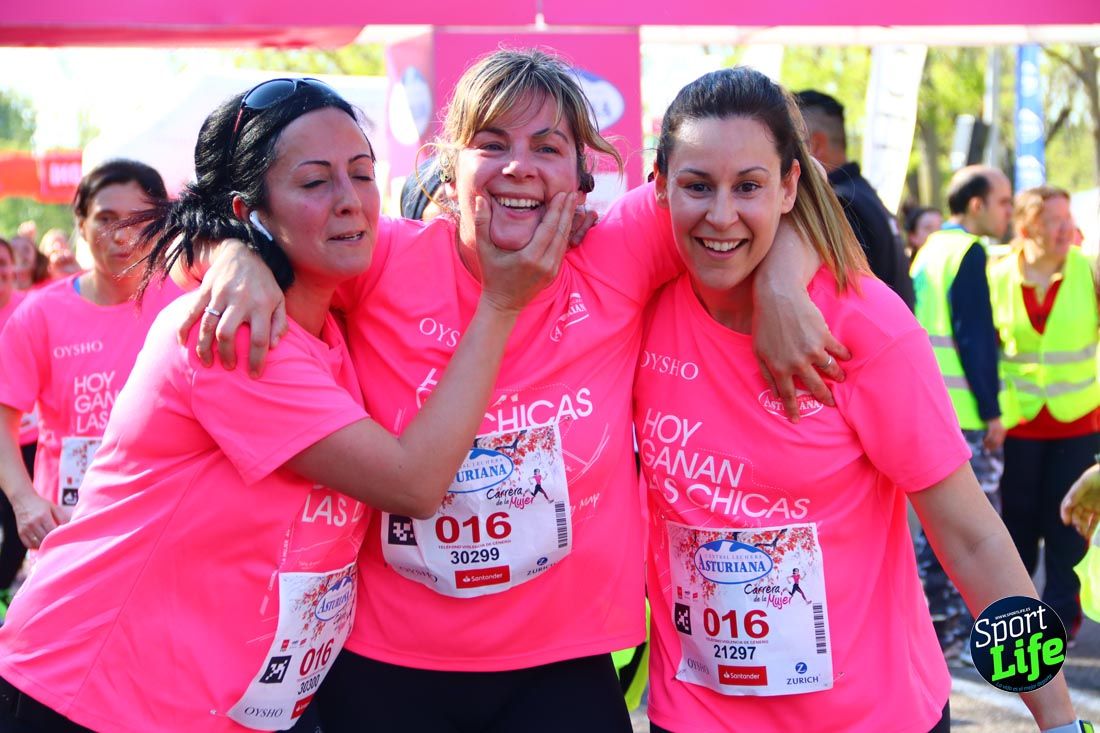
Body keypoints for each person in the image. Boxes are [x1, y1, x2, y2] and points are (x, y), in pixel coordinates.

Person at [184, 49, 846, 732]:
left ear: (584, 176)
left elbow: (779, 181)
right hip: (387, 664)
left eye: (547, 147)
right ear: (451, 165)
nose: (518, 166)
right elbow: (255, 224)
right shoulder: (383, 259)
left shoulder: (617, 253)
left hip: (560, 667)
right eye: (491, 143)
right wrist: (238, 257)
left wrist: (780, 282)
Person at [0, 77, 562, 732]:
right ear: (250, 210)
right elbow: (412, 484)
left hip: (210, 705)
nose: (351, 202)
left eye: (361, 173)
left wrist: (236, 251)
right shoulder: (234, 337)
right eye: (315, 182)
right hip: (90, 695)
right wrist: (501, 304)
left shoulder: (327, 324)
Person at [638, 65, 1080, 733]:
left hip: (871, 716)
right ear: (660, 187)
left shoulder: (862, 324)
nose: (720, 214)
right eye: (697, 186)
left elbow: (972, 539)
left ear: (789, 185)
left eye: (749, 186)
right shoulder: (637, 305)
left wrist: (1060, 720)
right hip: (699, 715)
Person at [0, 160, 179, 552]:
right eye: (105, 218)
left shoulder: (186, 308)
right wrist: (24, 500)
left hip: (161, 529)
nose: (120, 235)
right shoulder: (40, 314)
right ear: (81, 225)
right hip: (68, 532)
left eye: (137, 219)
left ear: (161, 224)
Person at [908, 163, 1018, 658]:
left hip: (926, 405)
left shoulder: (929, 250)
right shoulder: (969, 252)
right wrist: (993, 411)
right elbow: (974, 338)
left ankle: (940, 630)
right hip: (966, 414)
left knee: (935, 528)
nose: (1008, 212)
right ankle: (965, 634)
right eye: (1003, 202)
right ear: (976, 205)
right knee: (973, 530)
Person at [989, 185, 1100, 642]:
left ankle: (1059, 619)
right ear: (1027, 226)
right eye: (1055, 220)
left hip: (1078, 421)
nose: (1066, 229)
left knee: (1069, 522)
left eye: (1068, 218)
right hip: (1017, 424)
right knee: (1017, 521)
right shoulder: (995, 274)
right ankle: (1019, 617)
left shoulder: (1089, 271)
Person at [795, 89, 915, 310]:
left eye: (786, 143)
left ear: (815, 145)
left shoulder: (841, 203)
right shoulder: (863, 195)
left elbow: (837, 300)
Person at [0, 238, 29, 608]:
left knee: (18, 525)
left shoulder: (31, 309)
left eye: (2, 262)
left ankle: (4, 588)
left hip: (29, 439)